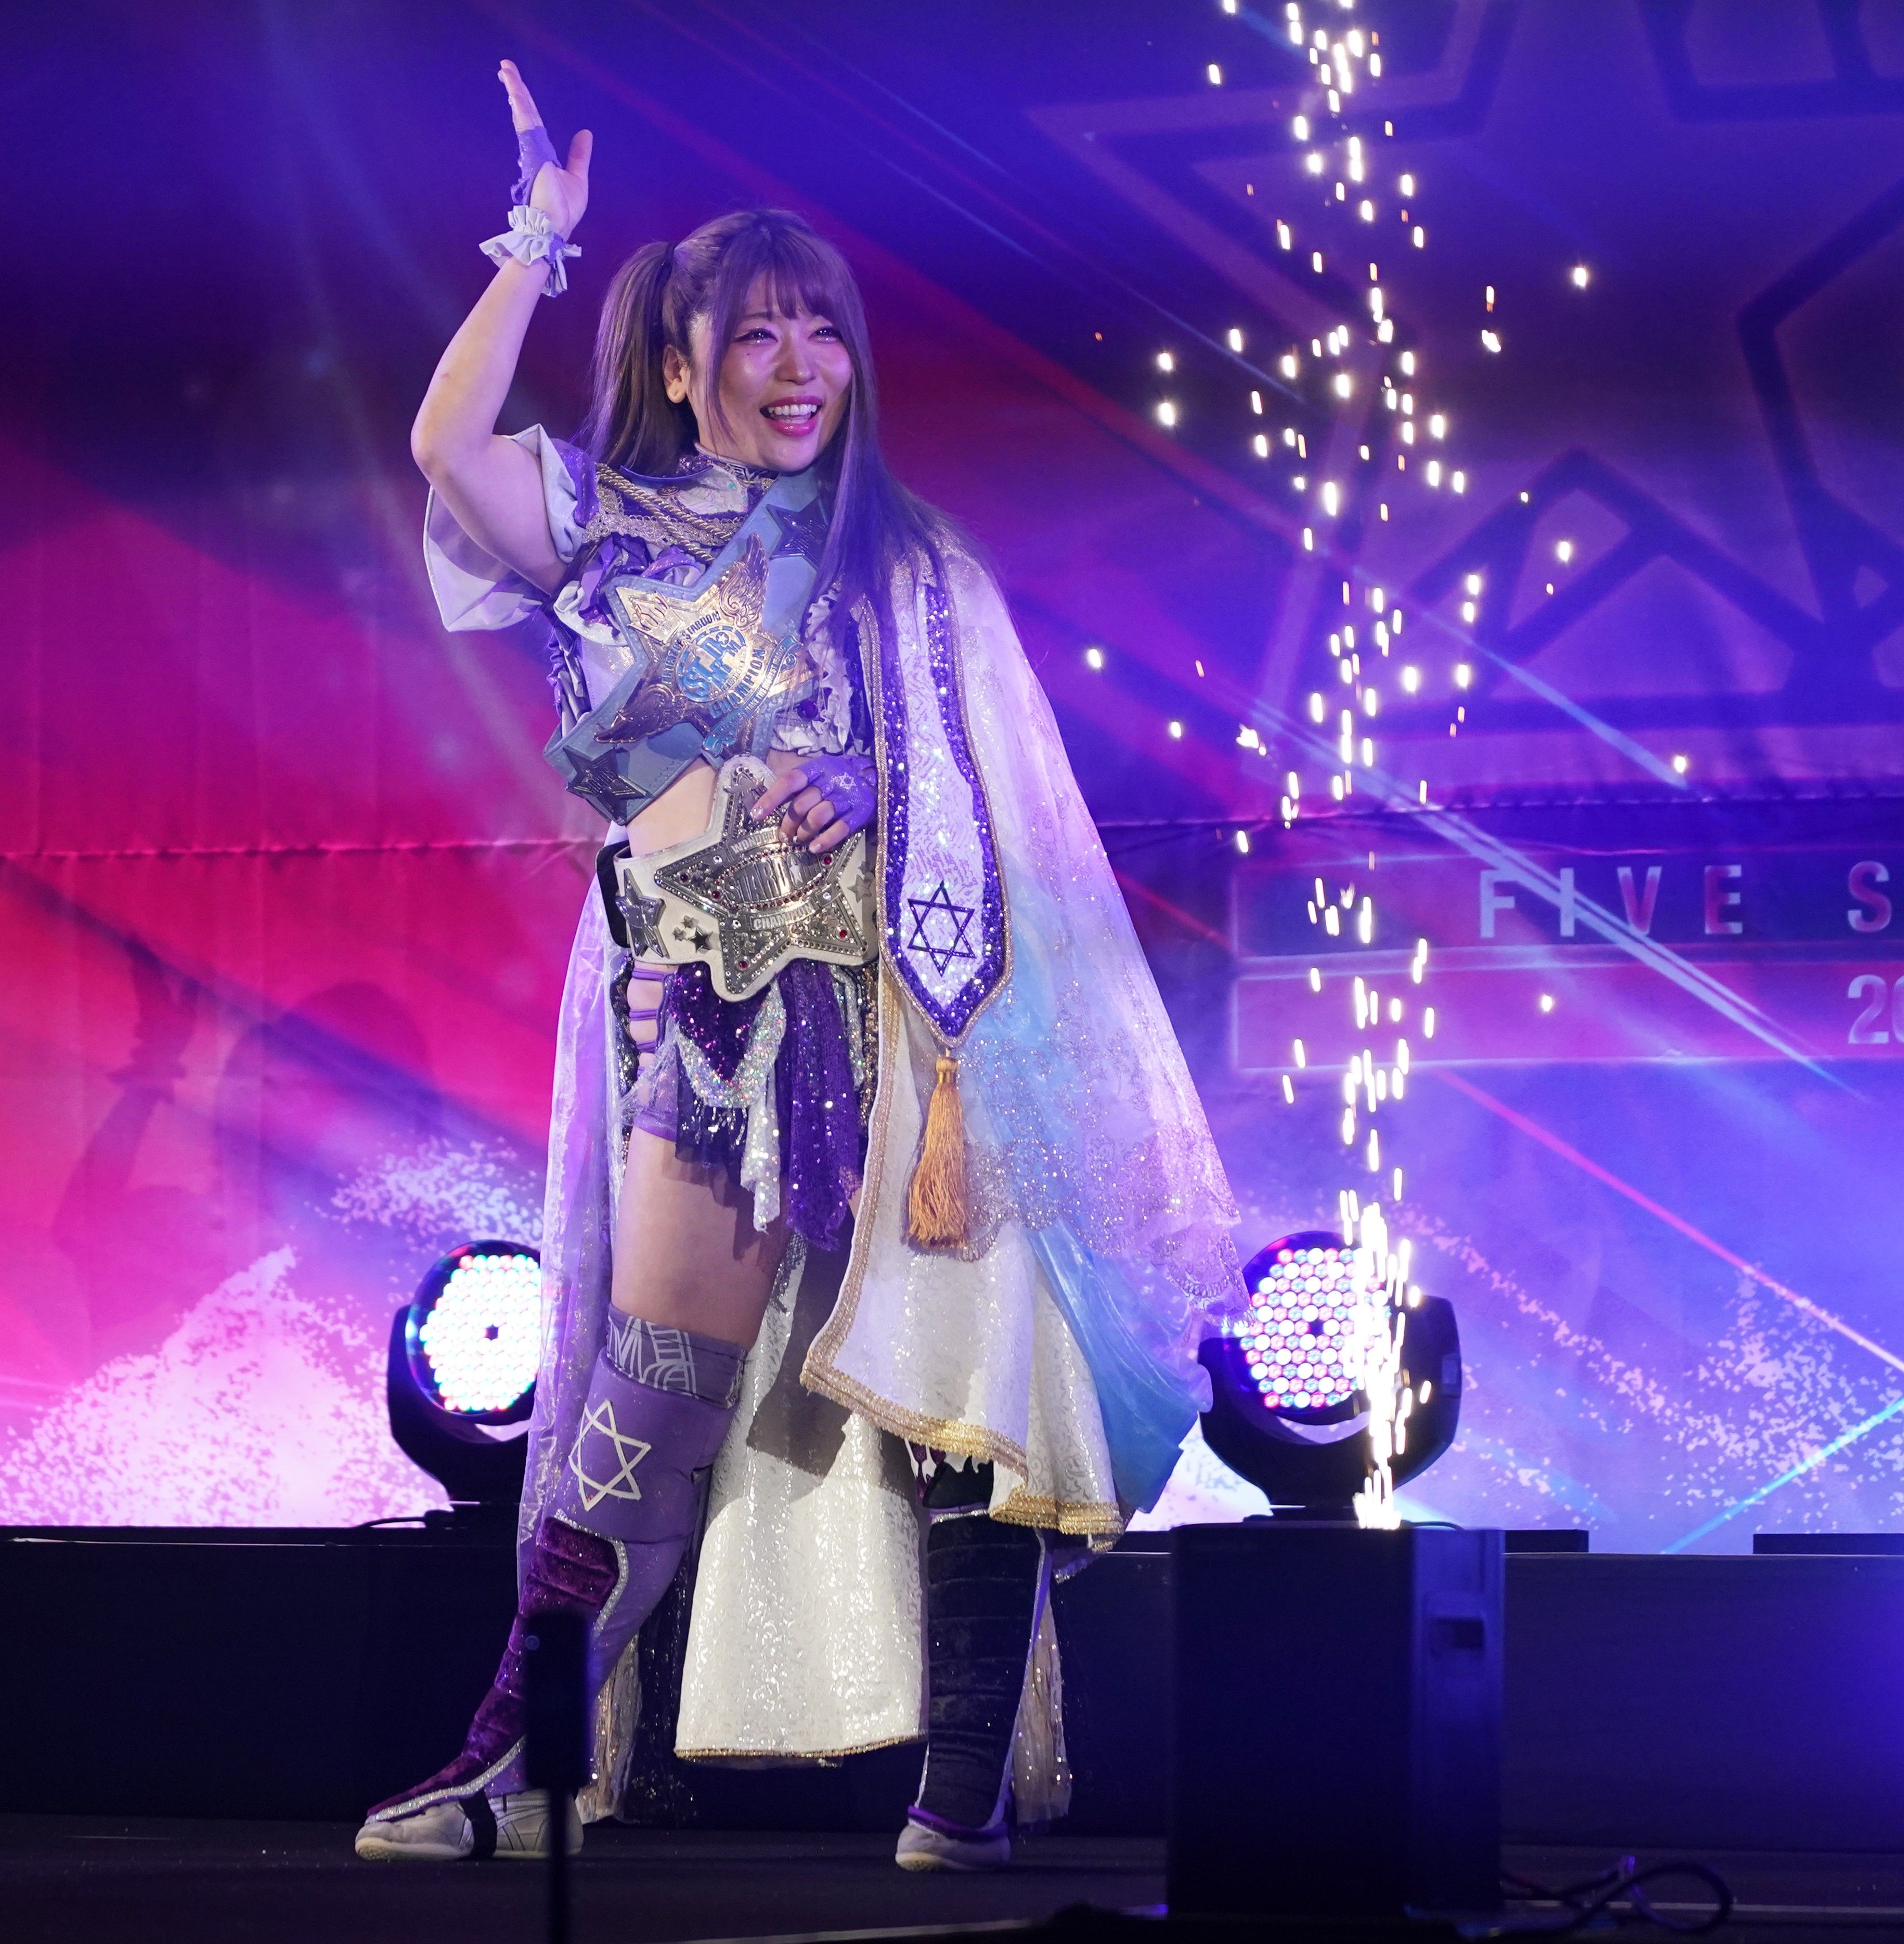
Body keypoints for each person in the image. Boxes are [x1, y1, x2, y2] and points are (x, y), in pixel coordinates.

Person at [358, 61, 1242, 1872]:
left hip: (926, 1030)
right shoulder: (606, 526)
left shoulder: (910, 562)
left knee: (963, 1388)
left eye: (822, 328)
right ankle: (508, 1765)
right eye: (755, 331)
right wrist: (533, 243)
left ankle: (961, 1785)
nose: (797, 363)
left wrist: (880, 780)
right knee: (648, 1403)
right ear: (682, 364)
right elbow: (447, 446)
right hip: (707, 1018)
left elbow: (1009, 796)